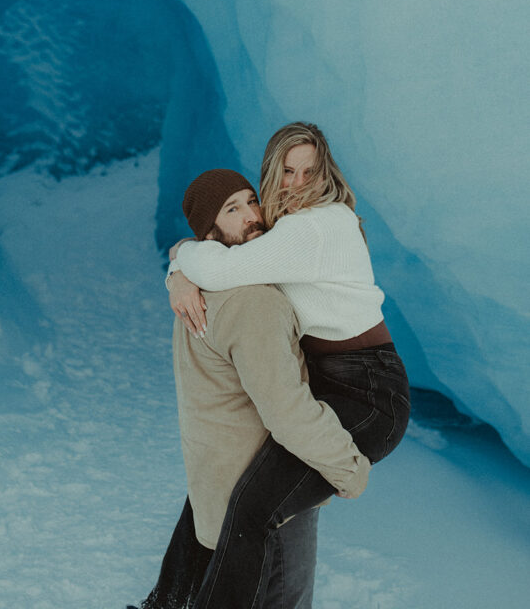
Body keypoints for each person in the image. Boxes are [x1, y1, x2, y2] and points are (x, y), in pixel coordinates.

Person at [167, 123, 411, 609]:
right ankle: (168, 599)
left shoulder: (317, 226)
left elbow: (216, 265)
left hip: (369, 394)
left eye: (309, 171)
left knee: (250, 509)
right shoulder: (281, 227)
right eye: (287, 171)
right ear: (271, 174)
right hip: (329, 381)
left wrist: (179, 266)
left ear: (326, 173)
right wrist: (179, 266)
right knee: (220, 493)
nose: (298, 183)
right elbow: (221, 247)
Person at [136, 168, 371, 609]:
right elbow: (287, 410)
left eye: (250, 200)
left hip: (220, 489)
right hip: (267, 495)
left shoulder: (202, 287)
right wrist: (348, 468)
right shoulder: (252, 301)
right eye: (232, 209)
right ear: (210, 232)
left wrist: (179, 268)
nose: (252, 215)